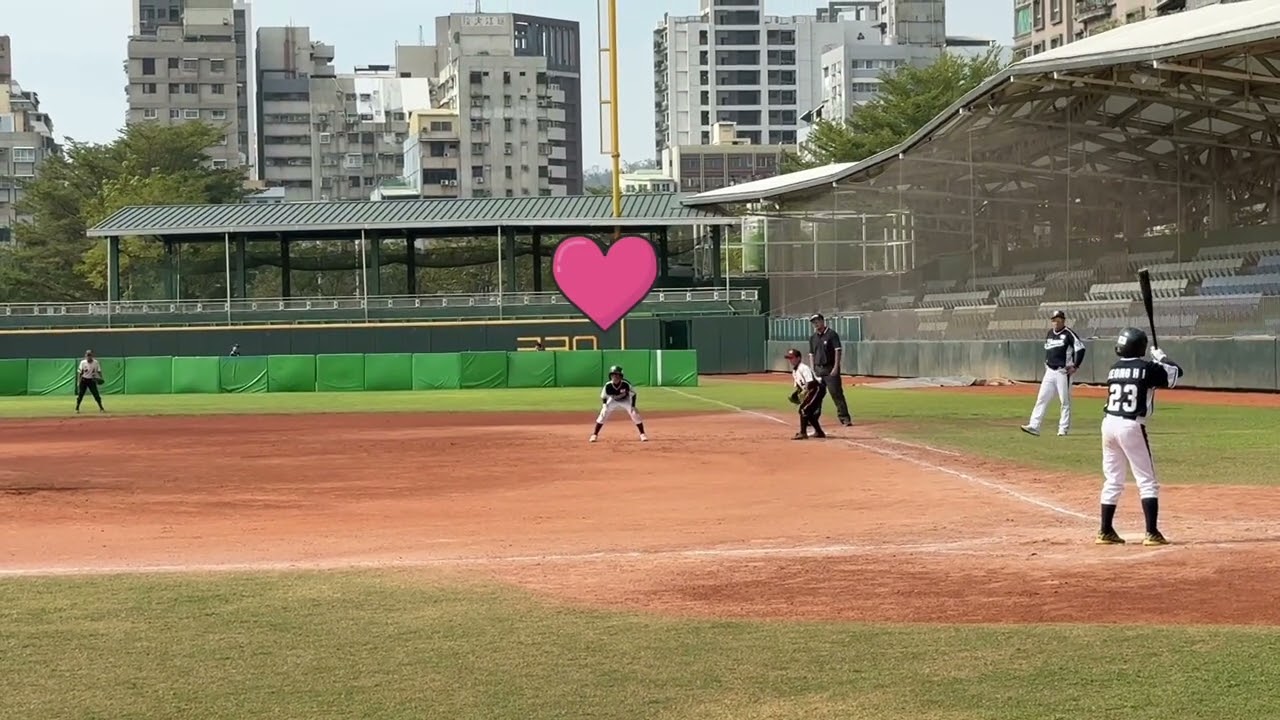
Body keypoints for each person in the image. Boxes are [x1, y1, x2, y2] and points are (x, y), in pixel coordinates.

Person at [1097, 327, 1179, 546]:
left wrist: (1155, 362)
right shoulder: (1147, 368)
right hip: (1131, 425)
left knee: (1113, 479)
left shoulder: (1113, 369)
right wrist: (1161, 357)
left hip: (1108, 424)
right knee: (1147, 481)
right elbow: (1175, 373)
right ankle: (1151, 532)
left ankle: (1105, 530)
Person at [1021, 309, 1086, 437]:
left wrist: (1076, 366)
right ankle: (1034, 425)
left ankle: (1063, 428)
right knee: (1042, 398)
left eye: (1058, 320)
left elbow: (1081, 348)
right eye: (1054, 320)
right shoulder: (1050, 333)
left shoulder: (1068, 334)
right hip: (1050, 371)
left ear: (1063, 320)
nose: (1056, 322)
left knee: (1064, 401)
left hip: (1063, 372)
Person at [807, 313, 852, 426]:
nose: (816, 324)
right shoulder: (813, 338)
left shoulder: (831, 334)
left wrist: (836, 367)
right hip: (818, 370)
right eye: (814, 322)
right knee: (816, 396)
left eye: (817, 321)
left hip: (830, 369)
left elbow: (838, 350)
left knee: (836, 394)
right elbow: (811, 354)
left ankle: (845, 418)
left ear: (822, 321)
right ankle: (813, 419)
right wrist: (813, 369)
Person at [589, 365, 647, 443]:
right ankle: (594, 435)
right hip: (613, 400)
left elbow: (633, 394)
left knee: (634, 413)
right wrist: (604, 406)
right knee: (603, 413)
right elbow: (603, 396)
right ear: (610, 376)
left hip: (625, 400)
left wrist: (633, 406)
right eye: (613, 375)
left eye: (617, 375)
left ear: (621, 376)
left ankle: (642, 434)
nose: (615, 377)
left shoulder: (625, 384)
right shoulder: (608, 385)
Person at [785, 348, 826, 440]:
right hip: (812, 391)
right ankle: (819, 432)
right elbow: (799, 387)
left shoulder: (804, 368)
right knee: (808, 412)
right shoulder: (794, 371)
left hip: (817, 389)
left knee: (804, 410)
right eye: (789, 358)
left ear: (799, 358)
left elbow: (810, 382)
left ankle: (803, 433)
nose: (790, 360)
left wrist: (805, 392)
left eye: (792, 358)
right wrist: (797, 394)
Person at [75, 350, 106, 414]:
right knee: (80, 395)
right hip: (84, 380)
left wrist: (101, 377)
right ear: (85, 356)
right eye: (87, 355)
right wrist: (79, 382)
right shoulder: (83, 362)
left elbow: (99, 371)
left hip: (92, 380)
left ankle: (101, 408)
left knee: (96, 395)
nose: (88, 357)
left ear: (92, 356)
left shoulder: (95, 362)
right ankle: (77, 408)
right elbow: (80, 373)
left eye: (90, 355)